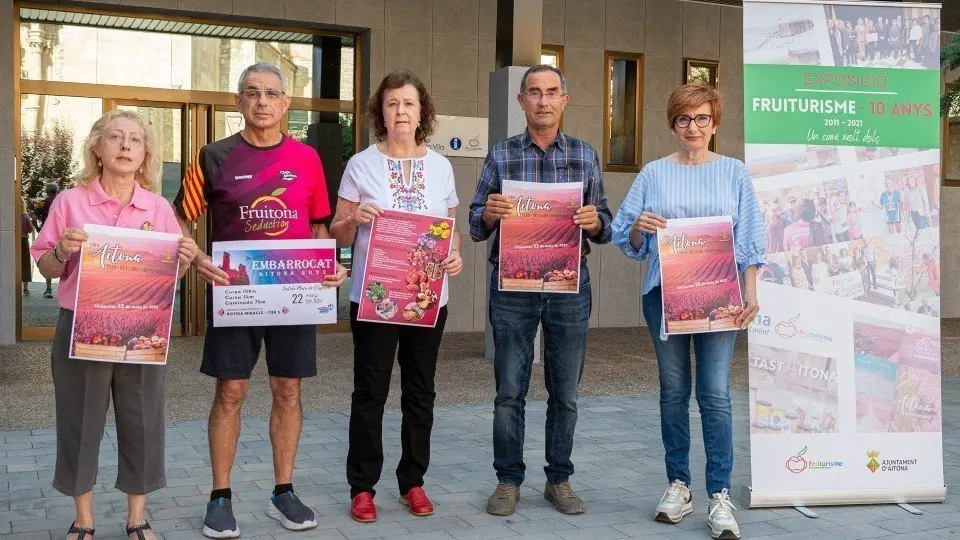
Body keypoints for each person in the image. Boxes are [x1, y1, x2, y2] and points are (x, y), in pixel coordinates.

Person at [173, 62, 348, 538]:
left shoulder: (308, 159)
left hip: (293, 296)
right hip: (237, 295)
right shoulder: (212, 156)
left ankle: (283, 491)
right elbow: (178, 221)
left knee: (287, 389)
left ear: (286, 103)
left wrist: (329, 264)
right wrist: (198, 257)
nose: (262, 102)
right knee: (231, 391)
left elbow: (318, 226)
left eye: (272, 93)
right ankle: (220, 496)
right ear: (239, 101)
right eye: (252, 93)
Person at [30, 109, 200, 540]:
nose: (125, 146)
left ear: (144, 154)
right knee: (79, 421)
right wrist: (64, 251)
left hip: (142, 330)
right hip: (80, 327)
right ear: (97, 149)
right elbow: (47, 268)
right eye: (115, 138)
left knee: (142, 419)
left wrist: (182, 262)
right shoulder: (70, 202)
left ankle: (136, 517)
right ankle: (83, 520)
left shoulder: (158, 207)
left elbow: (169, 275)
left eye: (135, 140)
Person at [611, 84, 765, 540]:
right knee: (673, 392)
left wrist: (750, 292)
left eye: (701, 119)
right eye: (683, 120)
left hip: (720, 300)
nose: (692, 127)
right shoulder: (654, 173)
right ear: (673, 124)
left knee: (715, 394)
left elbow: (751, 239)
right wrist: (639, 227)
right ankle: (679, 484)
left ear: (714, 123)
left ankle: (719, 493)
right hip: (665, 297)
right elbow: (627, 239)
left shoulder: (735, 173)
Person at [469, 64, 612, 518]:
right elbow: (475, 223)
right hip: (513, 284)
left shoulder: (586, 155)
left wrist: (597, 223)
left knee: (564, 390)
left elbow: (606, 224)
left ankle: (559, 479)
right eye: (534, 92)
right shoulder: (501, 155)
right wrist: (489, 213)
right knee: (510, 390)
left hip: (570, 285)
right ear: (522, 101)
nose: (543, 100)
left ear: (564, 100)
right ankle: (508, 480)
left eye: (552, 92)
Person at [327, 69, 463, 523]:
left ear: (421, 110)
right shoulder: (361, 164)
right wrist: (355, 220)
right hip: (375, 295)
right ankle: (362, 487)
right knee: (370, 390)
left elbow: (450, 231)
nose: (400, 111)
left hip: (428, 298)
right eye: (391, 103)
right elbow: (336, 229)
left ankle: (413, 482)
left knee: (420, 391)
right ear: (379, 112)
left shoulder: (441, 166)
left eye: (408, 102)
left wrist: (456, 257)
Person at [35, 182, 60, 298]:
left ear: (47, 192)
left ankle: (49, 289)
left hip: (46, 235)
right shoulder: (60, 202)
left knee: (48, 260)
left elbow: (34, 218)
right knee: (62, 259)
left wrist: (38, 228)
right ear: (57, 192)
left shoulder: (41, 203)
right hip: (60, 234)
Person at [21, 199, 36, 296]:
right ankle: (25, 289)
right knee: (25, 263)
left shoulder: (9, 214)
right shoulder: (24, 215)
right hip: (23, 240)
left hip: (11, 240)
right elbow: (30, 229)